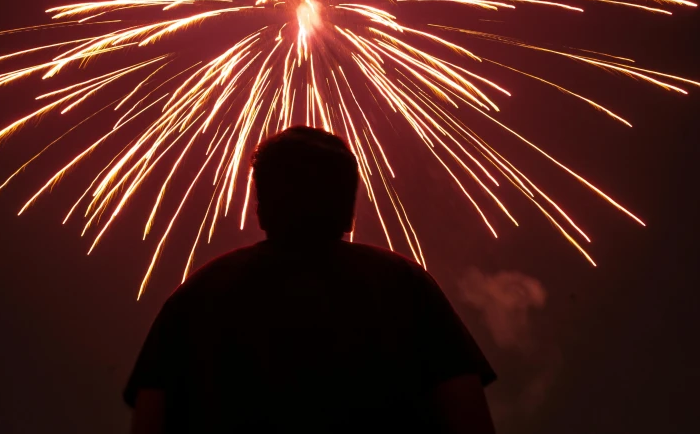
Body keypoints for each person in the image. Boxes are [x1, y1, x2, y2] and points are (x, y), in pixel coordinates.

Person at [125, 126, 497, 433]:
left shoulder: (197, 295)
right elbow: (468, 416)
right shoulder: (405, 284)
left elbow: (150, 417)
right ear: (349, 209)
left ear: (261, 207)